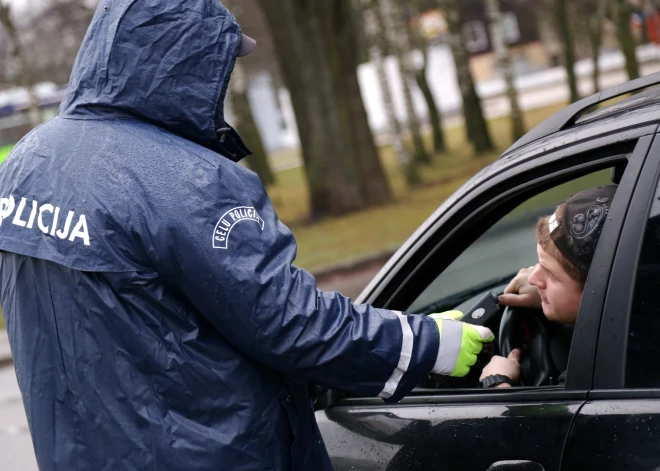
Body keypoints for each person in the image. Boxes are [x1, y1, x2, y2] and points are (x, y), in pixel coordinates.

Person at [0, 2, 493, 470]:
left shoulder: (28, 161)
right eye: (220, 62)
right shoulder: (188, 181)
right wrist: (427, 343)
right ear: (189, 64)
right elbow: (290, 322)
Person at [479, 185, 618, 388]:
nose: (533, 279)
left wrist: (496, 384)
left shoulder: (603, 364)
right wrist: (553, 293)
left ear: (597, 291)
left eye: (550, 274)